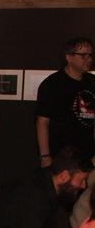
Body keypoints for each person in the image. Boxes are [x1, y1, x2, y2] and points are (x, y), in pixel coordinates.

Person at [36, 37, 95, 168]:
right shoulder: (52, 84)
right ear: (69, 57)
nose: (89, 59)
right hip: (60, 156)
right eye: (83, 55)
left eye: (90, 55)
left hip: (88, 156)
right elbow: (42, 122)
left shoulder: (92, 82)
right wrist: (45, 156)